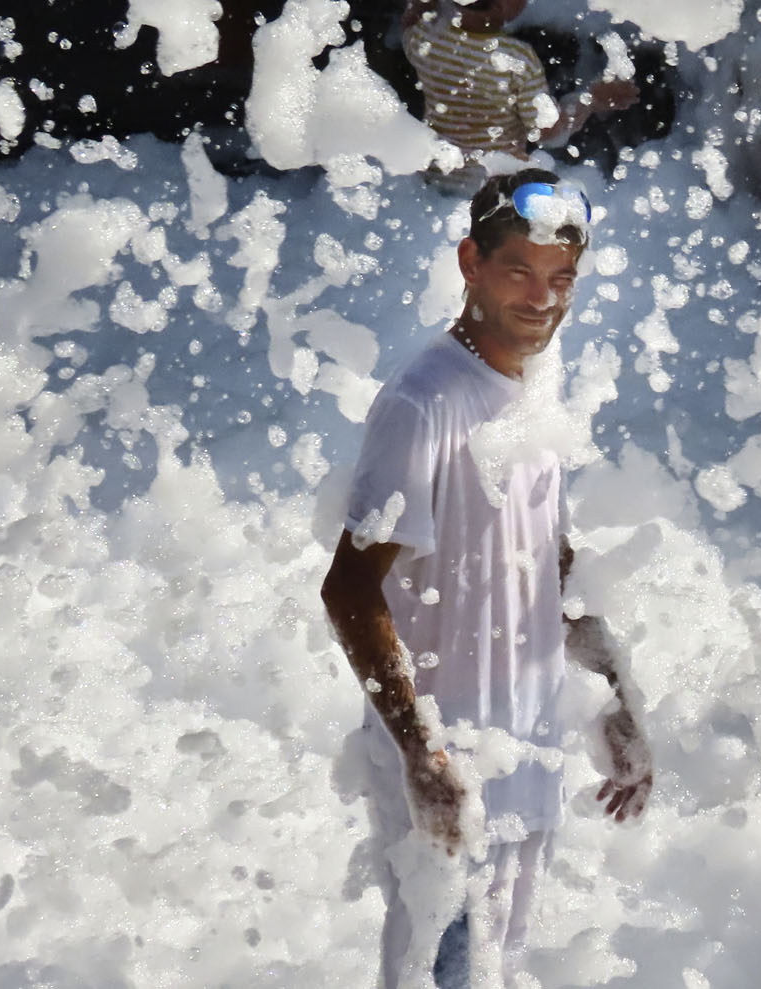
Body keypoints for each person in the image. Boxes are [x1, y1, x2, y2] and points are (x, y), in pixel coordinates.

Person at [321, 167, 651, 988]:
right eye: (518, 271)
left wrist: (614, 699)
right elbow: (350, 588)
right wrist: (421, 752)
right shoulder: (424, 403)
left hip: (525, 767)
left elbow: (552, 567)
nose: (542, 298)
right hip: (453, 777)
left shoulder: (536, 393)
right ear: (471, 262)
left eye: (561, 277)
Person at [402, 0, 639, 193]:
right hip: (497, 186)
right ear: (500, 5)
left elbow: (410, 19)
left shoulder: (426, 37)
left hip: (435, 179)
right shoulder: (516, 59)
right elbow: (548, 132)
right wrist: (592, 99)